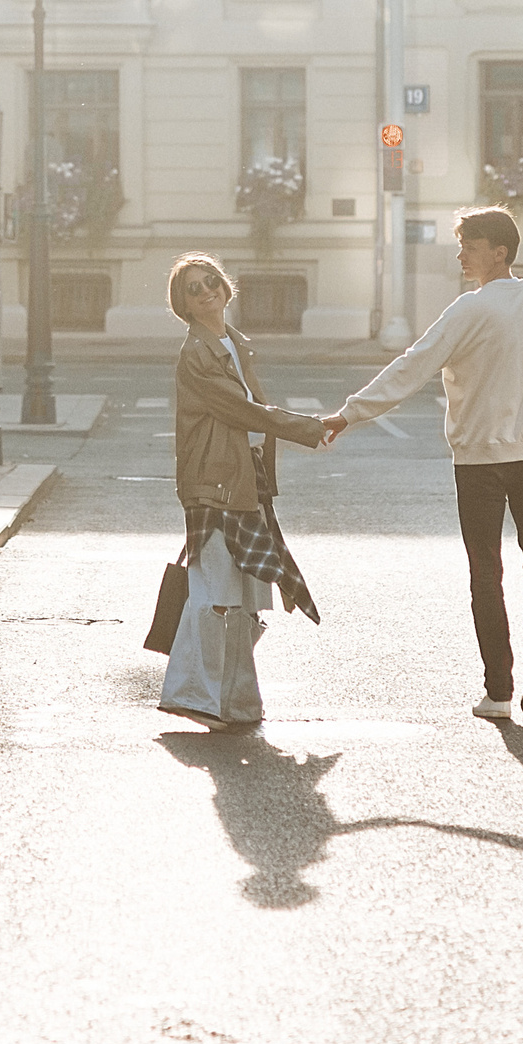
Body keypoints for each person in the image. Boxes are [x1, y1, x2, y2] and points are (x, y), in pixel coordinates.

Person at [326, 207, 523, 723]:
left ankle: (499, 691)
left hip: (479, 462)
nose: (461, 253)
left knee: (486, 571)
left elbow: (411, 366)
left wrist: (350, 414)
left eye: (470, 244)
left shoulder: (468, 309)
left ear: (499, 251)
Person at [159, 253, 327, 731]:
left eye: (212, 280)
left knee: (247, 595)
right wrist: (310, 429)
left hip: (242, 478)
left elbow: (254, 412)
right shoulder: (197, 354)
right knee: (214, 593)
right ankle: (192, 695)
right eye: (194, 288)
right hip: (211, 483)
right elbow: (246, 412)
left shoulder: (233, 344)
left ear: (226, 288)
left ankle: (236, 701)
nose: (207, 290)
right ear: (184, 306)